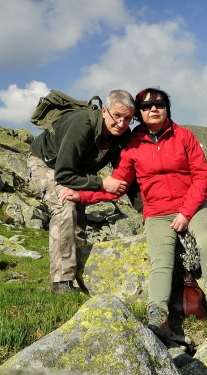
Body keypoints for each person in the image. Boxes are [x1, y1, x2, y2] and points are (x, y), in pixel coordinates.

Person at [58, 87, 207, 337]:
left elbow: (203, 178)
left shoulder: (184, 137)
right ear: (139, 114)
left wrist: (186, 213)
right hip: (157, 212)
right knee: (161, 262)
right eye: (146, 105)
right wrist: (82, 196)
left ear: (167, 108)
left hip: (193, 207)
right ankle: (158, 317)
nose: (154, 109)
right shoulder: (132, 146)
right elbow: (118, 184)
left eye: (160, 104)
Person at [28, 89, 135, 294]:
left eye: (128, 119)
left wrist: (147, 213)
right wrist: (102, 183)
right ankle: (61, 282)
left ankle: (78, 279)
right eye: (117, 116)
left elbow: (128, 176)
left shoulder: (121, 136)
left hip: (74, 170)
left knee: (78, 216)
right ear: (105, 111)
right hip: (47, 164)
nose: (121, 124)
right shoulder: (81, 125)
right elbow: (64, 174)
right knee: (65, 207)